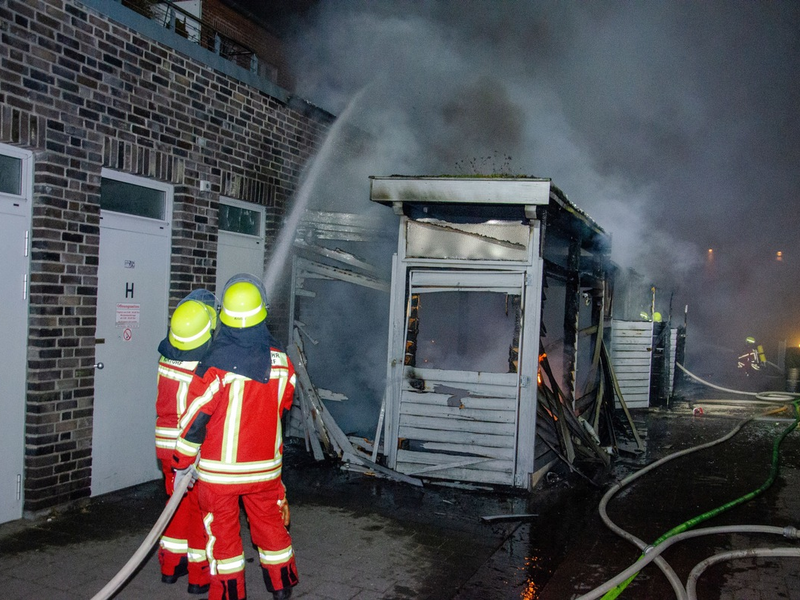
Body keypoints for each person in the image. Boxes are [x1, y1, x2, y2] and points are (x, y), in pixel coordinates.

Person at [173, 274, 298, 600]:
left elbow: (194, 420)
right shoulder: (282, 361)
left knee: (223, 537)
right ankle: (282, 585)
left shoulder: (213, 365)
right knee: (270, 527)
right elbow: (285, 404)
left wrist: (181, 463)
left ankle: (230, 594)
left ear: (224, 318)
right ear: (261, 313)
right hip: (266, 471)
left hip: (220, 476)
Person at [155, 296, 217, 594]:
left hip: (163, 446)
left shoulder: (167, 356)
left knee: (174, 504)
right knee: (198, 512)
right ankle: (199, 576)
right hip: (188, 448)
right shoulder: (201, 366)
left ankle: (170, 566)